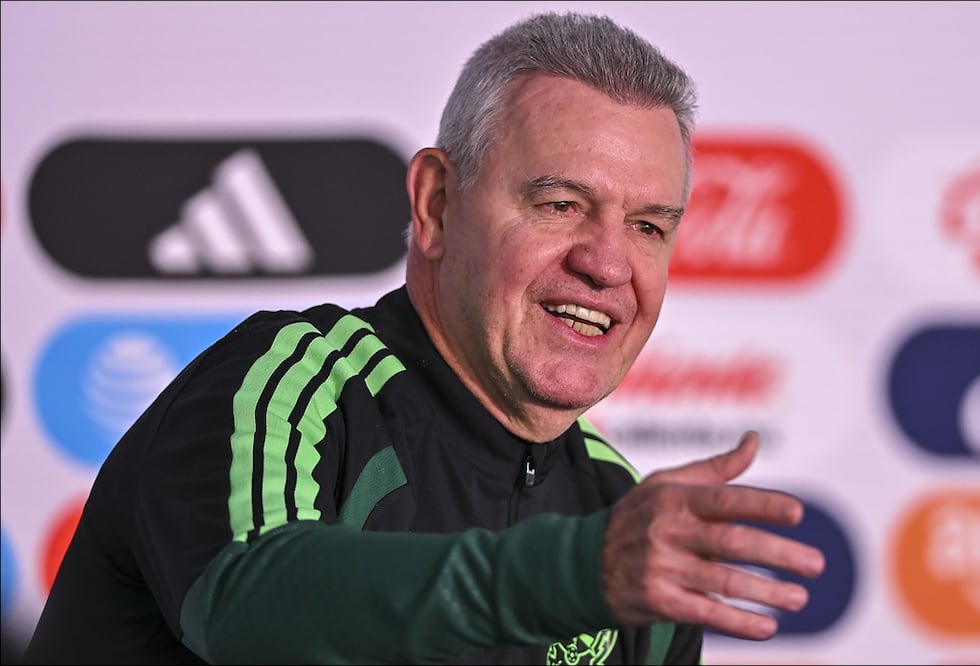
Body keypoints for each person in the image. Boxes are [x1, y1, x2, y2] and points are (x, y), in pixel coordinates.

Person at [23, 10, 825, 665]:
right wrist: (573, 574)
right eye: (559, 205)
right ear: (436, 204)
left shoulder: (620, 512)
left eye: (648, 226)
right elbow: (243, 606)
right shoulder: (285, 384)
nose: (607, 263)